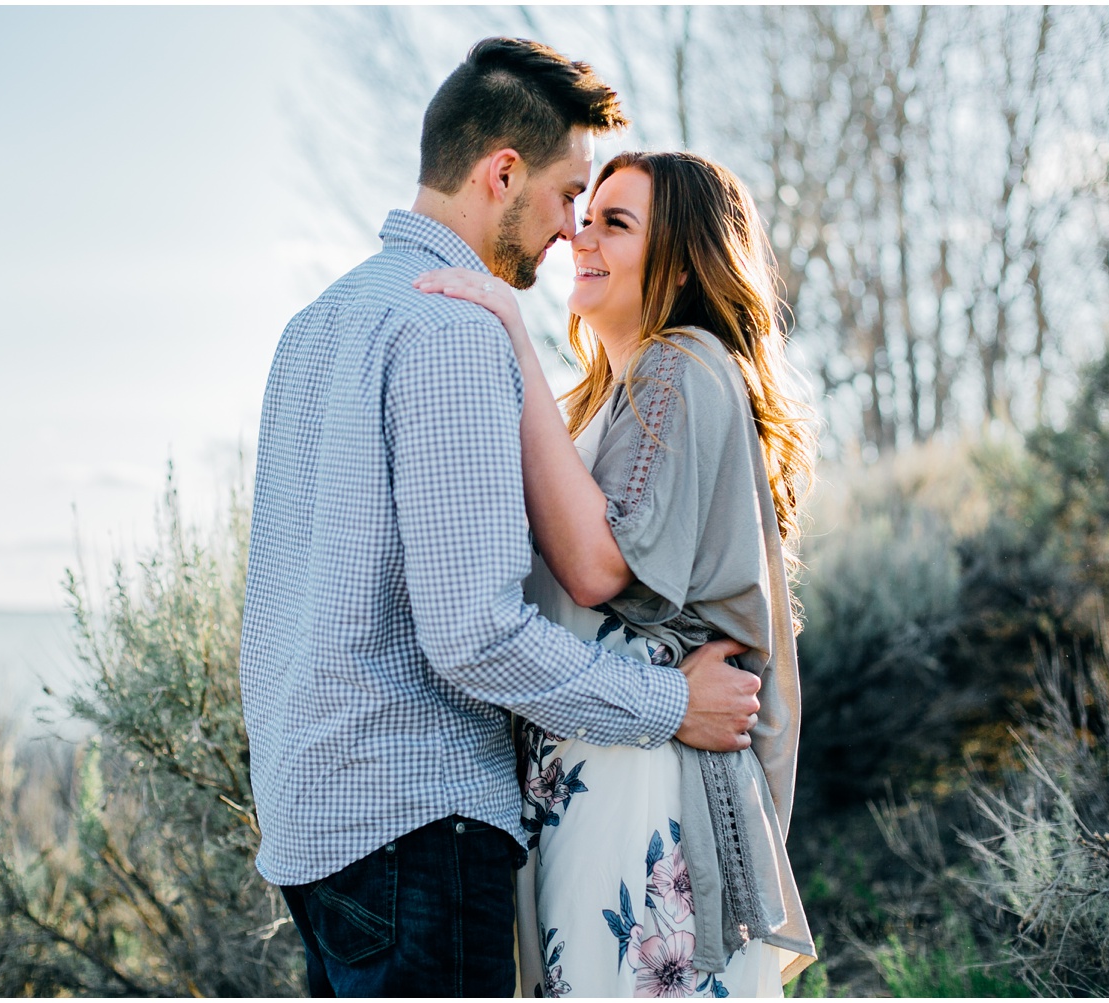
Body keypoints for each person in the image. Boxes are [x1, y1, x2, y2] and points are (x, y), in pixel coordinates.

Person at [240, 38, 765, 997]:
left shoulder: (314, 325)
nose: (571, 231)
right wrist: (672, 704)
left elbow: (275, 597)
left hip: (314, 833)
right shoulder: (452, 331)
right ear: (504, 172)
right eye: (570, 195)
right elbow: (476, 634)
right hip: (417, 831)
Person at [414, 151, 820, 996]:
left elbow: (603, 571)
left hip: (641, 784)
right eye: (584, 215)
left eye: (614, 223)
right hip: (601, 761)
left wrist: (510, 336)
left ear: (677, 255)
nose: (578, 236)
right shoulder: (613, 395)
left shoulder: (681, 364)